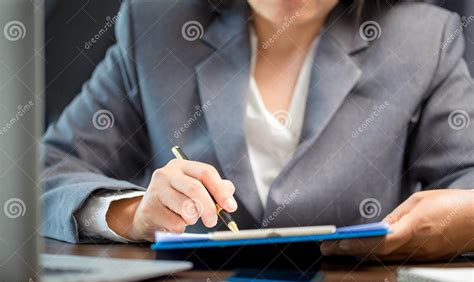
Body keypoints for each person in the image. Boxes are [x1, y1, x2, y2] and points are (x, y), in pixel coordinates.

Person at [41, 0, 474, 261]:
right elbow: (40, 172)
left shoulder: (423, 37)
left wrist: (461, 220)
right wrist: (132, 214)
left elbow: (467, 178)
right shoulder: (155, 25)